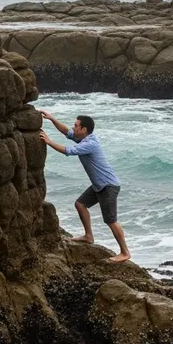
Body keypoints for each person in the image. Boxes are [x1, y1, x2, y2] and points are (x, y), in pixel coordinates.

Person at [39, 111, 131, 263]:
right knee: (80, 204)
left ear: (84, 130)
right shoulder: (84, 138)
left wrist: (48, 142)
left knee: (110, 220)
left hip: (108, 186)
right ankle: (88, 236)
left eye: (76, 126)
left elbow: (68, 151)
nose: (73, 128)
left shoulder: (89, 144)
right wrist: (51, 119)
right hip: (99, 185)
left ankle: (125, 252)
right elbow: (65, 132)